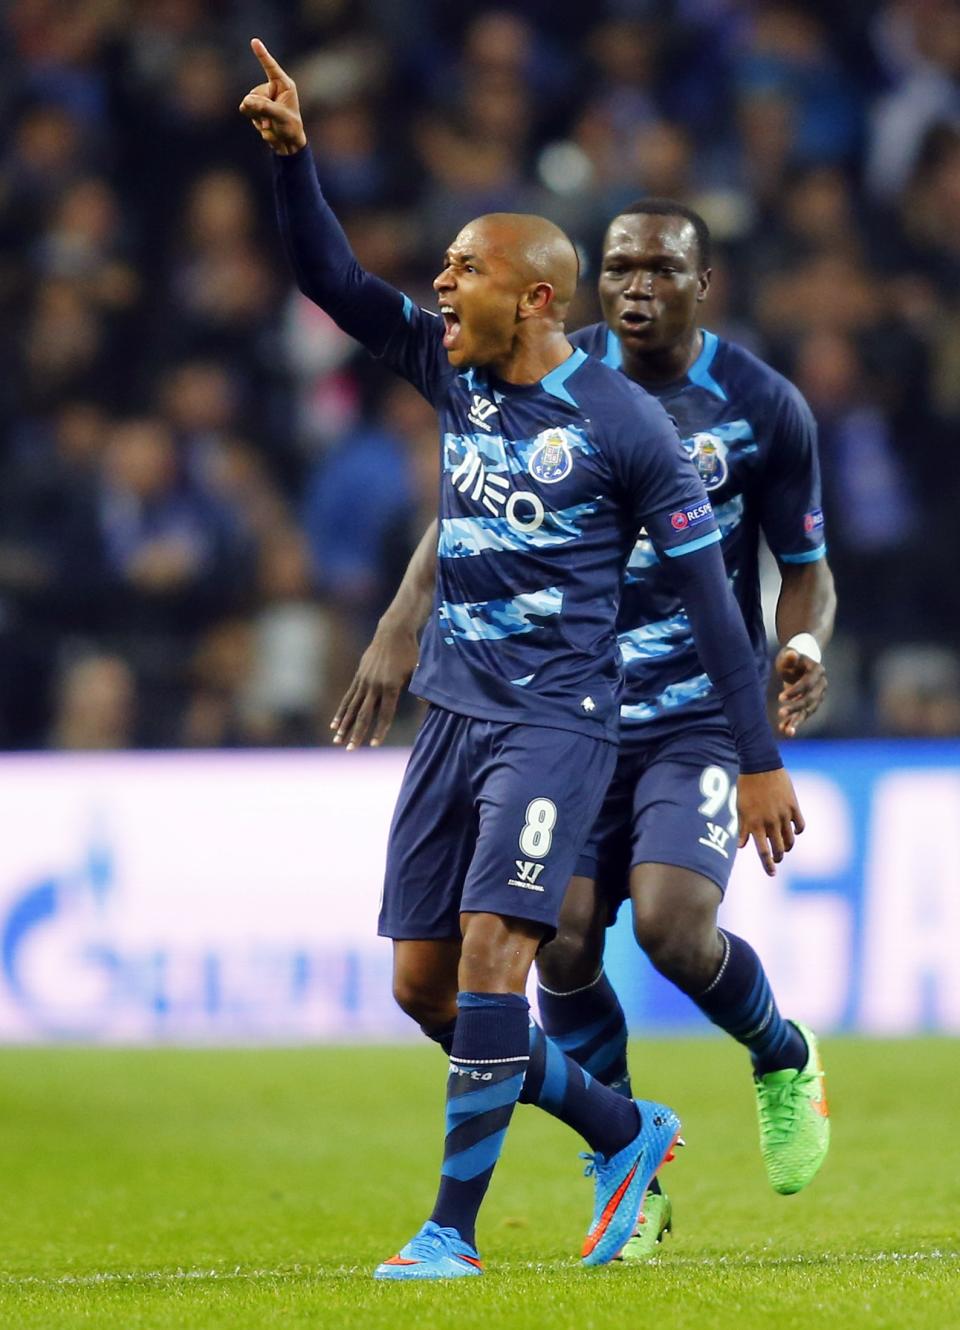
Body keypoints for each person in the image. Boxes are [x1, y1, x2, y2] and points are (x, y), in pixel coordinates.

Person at [241, 41, 802, 1279]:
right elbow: (330, 279)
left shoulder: (625, 427)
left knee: (504, 956)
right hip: (453, 713)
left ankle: (451, 1229)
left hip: (558, 721)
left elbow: (714, 602)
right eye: (441, 268)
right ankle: (622, 1124)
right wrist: (294, 161)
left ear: (537, 297)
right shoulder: (455, 370)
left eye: (464, 269)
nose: (438, 284)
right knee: (427, 992)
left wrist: (756, 760)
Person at [337, 199, 835, 1259]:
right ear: (582, 284)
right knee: (551, 948)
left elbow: (796, 568)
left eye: (661, 268)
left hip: (690, 712)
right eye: (620, 268)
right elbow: (476, 488)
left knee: (670, 929)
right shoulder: (533, 354)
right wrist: (398, 618)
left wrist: (795, 670)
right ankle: (625, 1158)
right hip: (570, 705)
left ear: (706, 282)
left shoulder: (757, 406)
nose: (638, 287)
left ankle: (781, 1052)